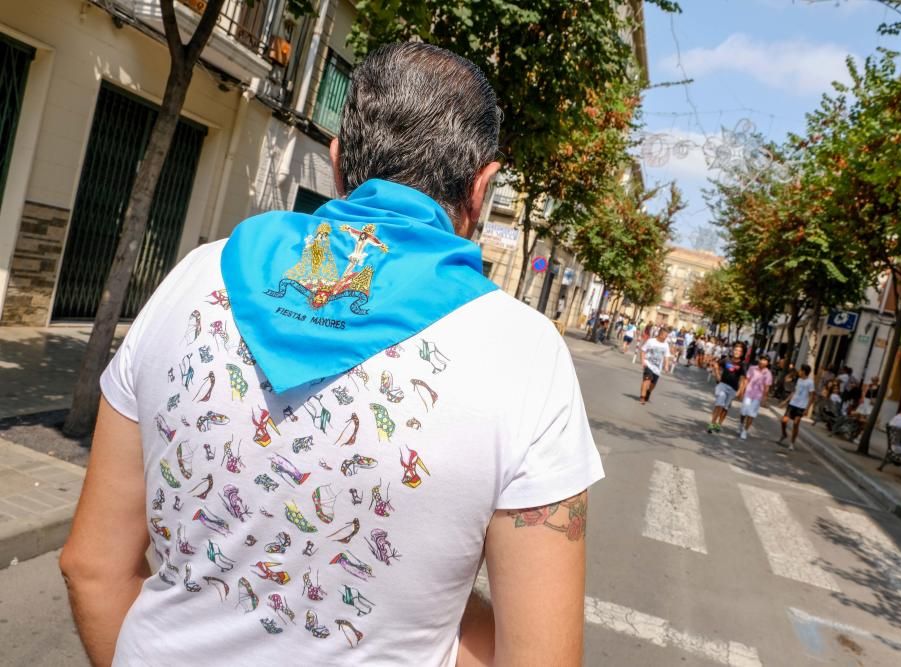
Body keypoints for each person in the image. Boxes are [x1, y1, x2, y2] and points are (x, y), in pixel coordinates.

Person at [60, 43, 603, 667]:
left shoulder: (194, 278)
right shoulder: (525, 354)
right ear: (482, 188)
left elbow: (92, 567)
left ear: (338, 161)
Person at [708, 342, 747, 434]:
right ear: (733, 350)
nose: (737, 352)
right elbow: (716, 364)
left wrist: (740, 391)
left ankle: (719, 424)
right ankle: (712, 423)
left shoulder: (742, 364)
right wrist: (717, 374)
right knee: (719, 403)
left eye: (739, 351)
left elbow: (743, 378)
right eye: (736, 350)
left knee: (725, 408)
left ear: (742, 353)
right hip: (722, 385)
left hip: (733, 388)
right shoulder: (727, 360)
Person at [779, 364, 815, 450]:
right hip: (792, 404)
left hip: (801, 406)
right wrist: (785, 401)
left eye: (800, 370)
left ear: (804, 371)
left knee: (796, 424)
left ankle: (792, 443)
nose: (799, 371)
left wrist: (807, 408)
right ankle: (784, 434)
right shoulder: (798, 380)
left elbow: (812, 396)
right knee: (784, 420)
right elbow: (794, 392)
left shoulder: (810, 382)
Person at [739, 354, 773, 440]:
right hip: (748, 393)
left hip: (758, 396)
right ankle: (741, 424)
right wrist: (742, 391)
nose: (763, 362)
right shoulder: (752, 368)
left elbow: (767, 387)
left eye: (765, 360)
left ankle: (745, 431)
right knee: (744, 411)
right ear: (759, 360)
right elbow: (747, 380)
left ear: (768, 363)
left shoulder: (768, 373)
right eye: (762, 359)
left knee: (751, 414)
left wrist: (764, 399)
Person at [639, 327, 672, 405]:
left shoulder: (666, 345)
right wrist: (643, 361)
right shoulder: (651, 341)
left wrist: (666, 365)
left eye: (667, 336)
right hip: (648, 364)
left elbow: (666, 356)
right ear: (660, 334)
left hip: (657, 367)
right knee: (646, 380)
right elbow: (643, 350)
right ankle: (642, 397)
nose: (666, 337)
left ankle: (649, 391)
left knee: (653, 384)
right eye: (665, 336)